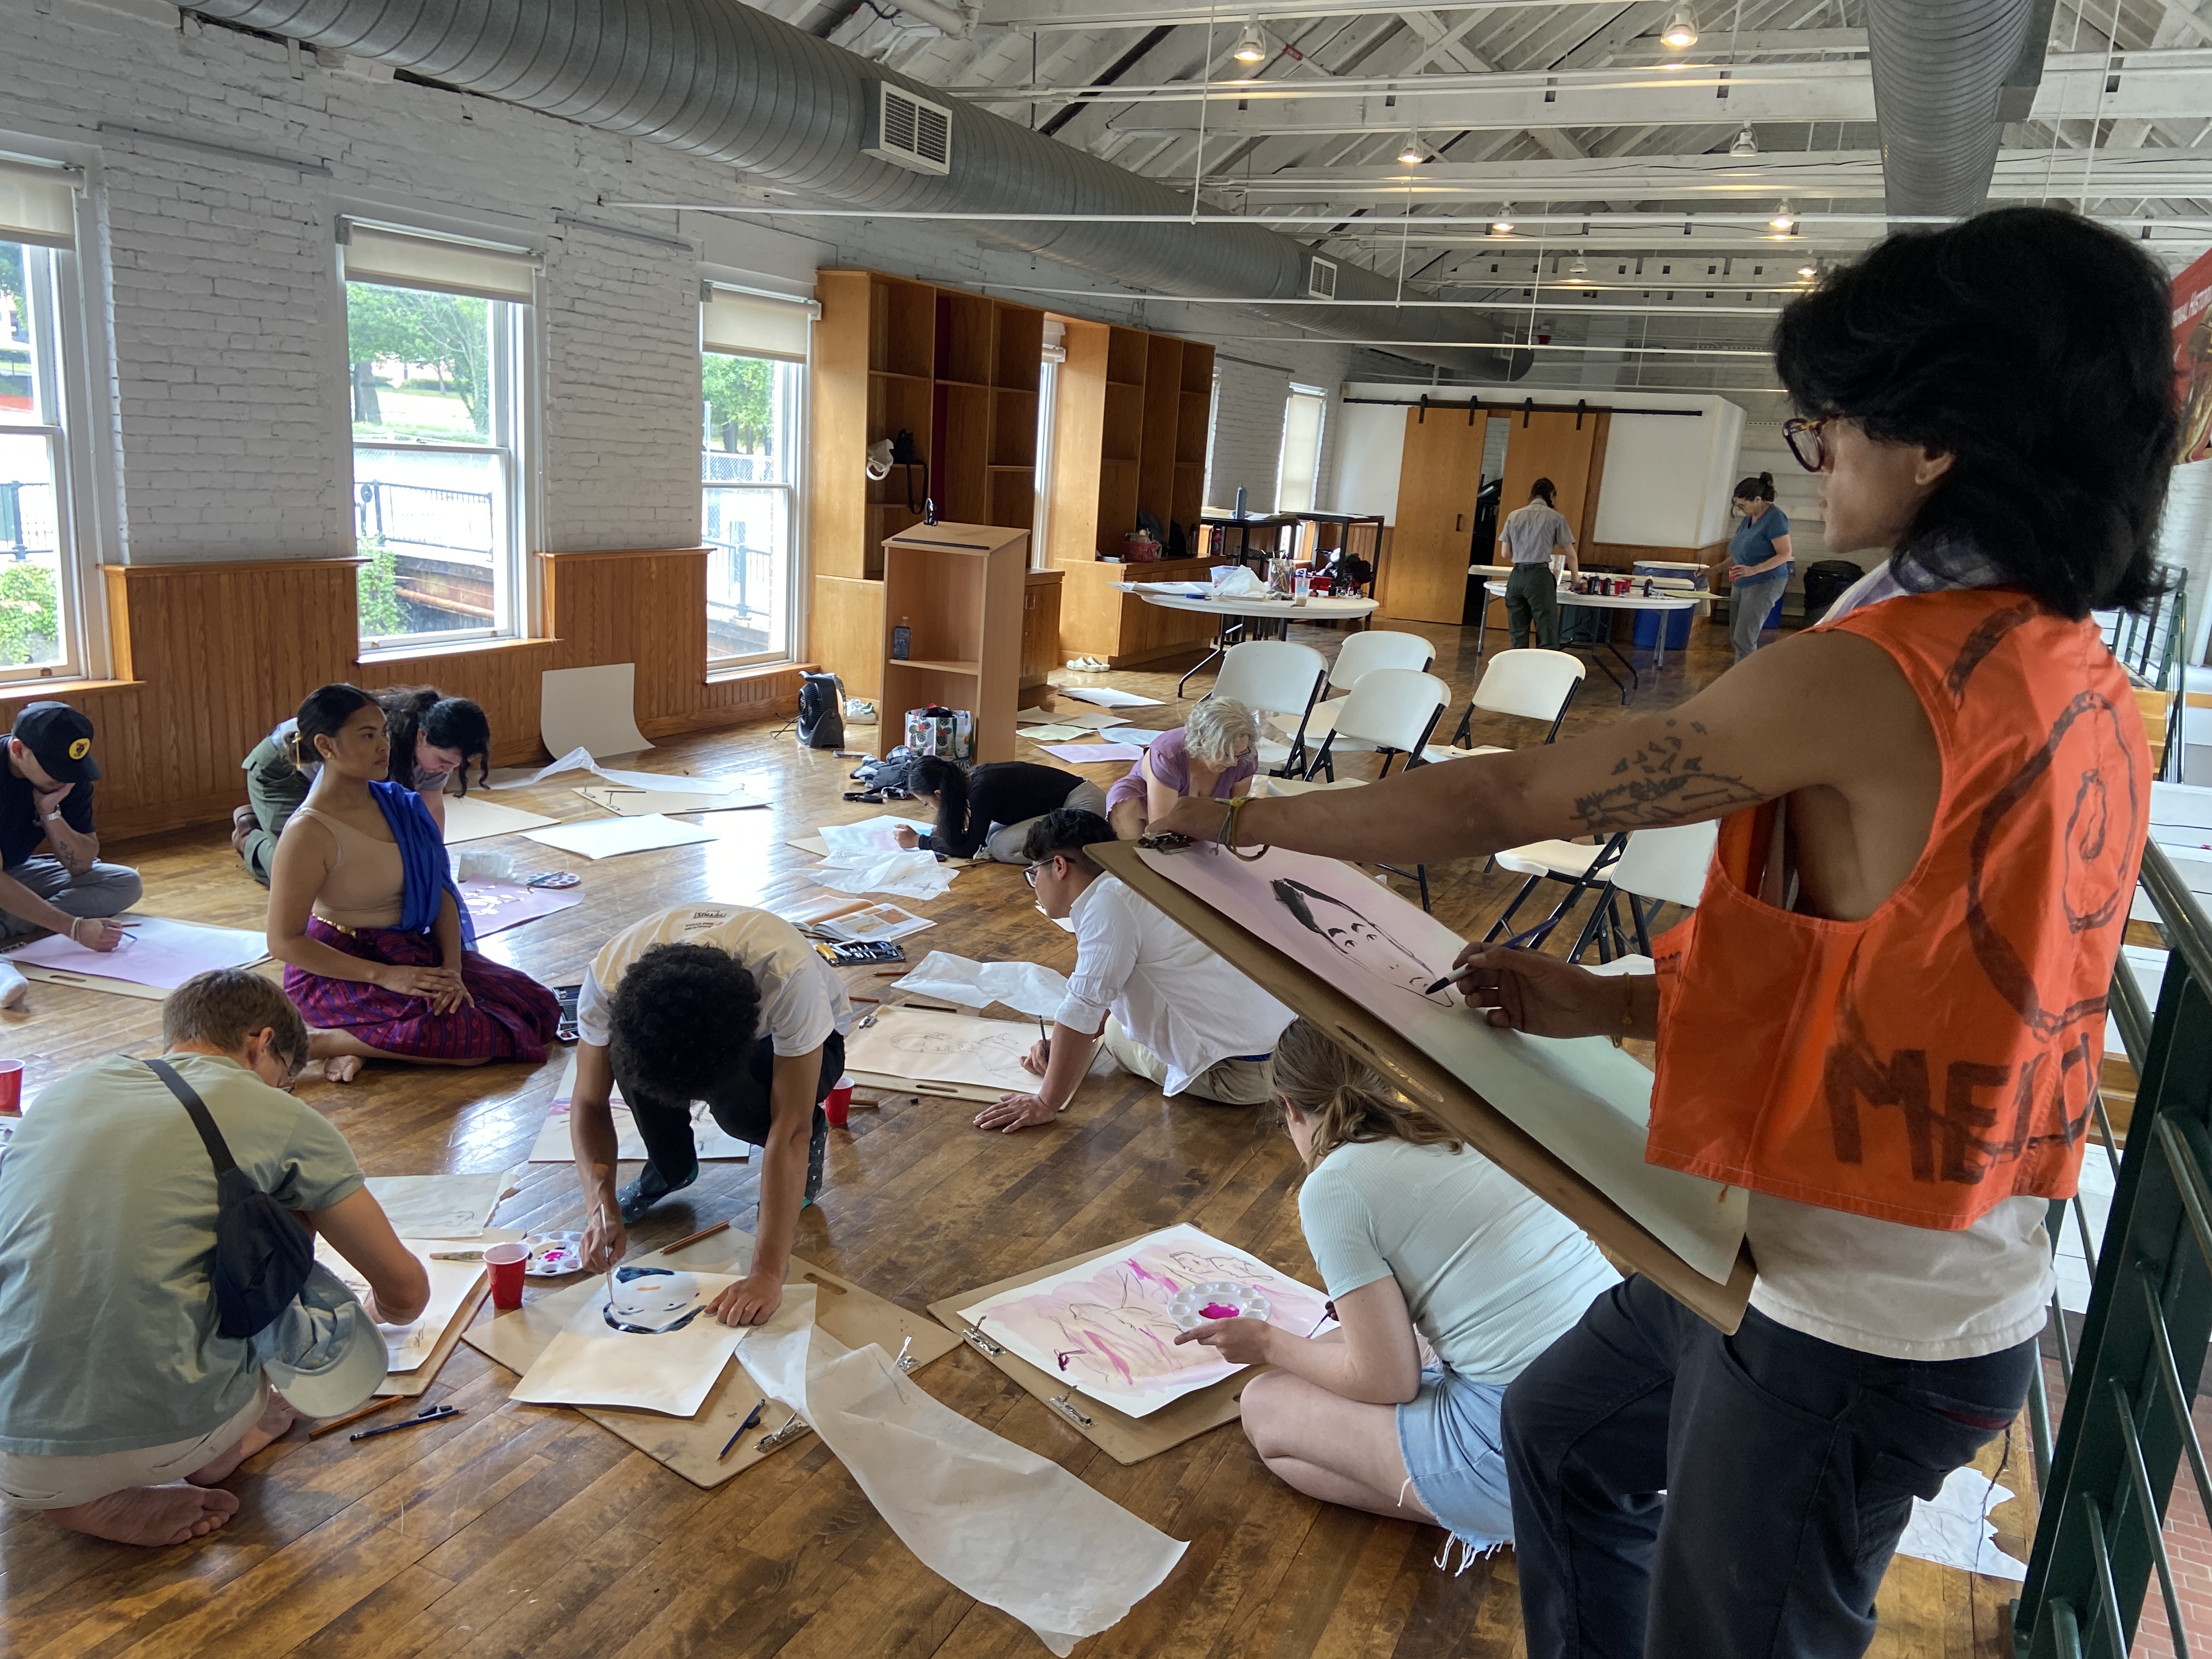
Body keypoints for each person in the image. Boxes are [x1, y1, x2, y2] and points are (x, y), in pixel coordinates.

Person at [1155, 205, 2170, 1657]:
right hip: (1858, 1256)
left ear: (1940, 438)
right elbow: (1913, 969)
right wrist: (1614, 1004)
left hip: (1857, 1319)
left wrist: (1241, 819)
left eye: (1831, 420)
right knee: (1561, 1434)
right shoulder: (2071, 664)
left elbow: (1507, 793)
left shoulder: (1881, 668)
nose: (1816, 453)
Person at [0, 970, 427, 1547]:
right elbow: (406, 1294)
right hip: (172, 1434)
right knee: (271, 1224)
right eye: (284, 1078)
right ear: (261, 1044)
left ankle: (70, 1496)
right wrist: (365, 1314)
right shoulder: (275, 1114)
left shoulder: (67, 1091)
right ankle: (225, 1436)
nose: (281, 1093)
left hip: (11, 1443)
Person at [1176, 1019, 1617, 1565]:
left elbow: (1388, 1380)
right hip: (1635, 1402)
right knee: (1348, 1347)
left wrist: (1268, 1343)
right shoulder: (1459, 1122)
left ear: (1289, 1109)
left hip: (1529, 1443)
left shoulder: (1334, 1185)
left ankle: (1528, 1518)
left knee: (1264, 1408)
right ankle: (1524, 1505)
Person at [569, 902, 855, 1327]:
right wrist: (600, 1204)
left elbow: (789, 1127)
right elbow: (589, 1103)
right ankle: (672, 1167)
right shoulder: (609, 978)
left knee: (741, 1110)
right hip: (681, 1022)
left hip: (800, 1041)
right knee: (637, 1065)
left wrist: (766, 1274)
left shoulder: (788, 977)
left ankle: (816, 1132)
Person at [267, 685, 559, 1082]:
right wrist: (386, 976)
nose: (383, 745)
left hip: (405, 948)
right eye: (367, 736)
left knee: (535, 1007)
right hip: (343, 964)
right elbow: (284, 942)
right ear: (326, 746)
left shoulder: (400, 804)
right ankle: (324, 1042)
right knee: (469, 1037)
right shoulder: (307, 830)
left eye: (384, 732)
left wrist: (452, 969)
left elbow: (440, 891)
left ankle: (367, 1043)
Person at [977, 808, 1293, 1131]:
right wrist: (1060, 1044)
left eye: (1034, 874)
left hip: (1244, 1075)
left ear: (1059, 867)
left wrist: (1046, 1102)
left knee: (1115, 1034)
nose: (1035, 885)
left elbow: (1084, 1005)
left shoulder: (1108, 903)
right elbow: (1100, 990)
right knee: (1110, 1017)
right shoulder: (1138, 875)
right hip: (1290, 1049)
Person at [234, 687, 491, 884]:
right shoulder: (375, 753)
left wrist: (435, 863)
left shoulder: (435, 756)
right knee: (298, 874)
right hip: (285, 767)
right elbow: (345, 813)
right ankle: (248, 836)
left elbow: (431, 809)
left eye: (454, 766)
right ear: (421, 736)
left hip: (328, 779)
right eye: (444, 762)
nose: (446, 770)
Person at [0, 701, 140, 950]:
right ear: (19, 750)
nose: (64, 779)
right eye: (54, 769)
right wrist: (75, 928)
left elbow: (81, 865)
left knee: (125, 883)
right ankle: (20, 917)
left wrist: (50, 813)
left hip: (13, 870)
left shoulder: (68, 778)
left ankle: (11, 922)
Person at [891, 755, 1110, 862]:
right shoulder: (970, 782)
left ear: (939, 793)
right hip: (1064, 805)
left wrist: (920, 842)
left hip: (1082, 803)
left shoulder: (981, 789)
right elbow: (976, 838)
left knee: (1001, 847)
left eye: (927, 803)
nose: (929, 808)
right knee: (991, 836)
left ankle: (1077, 853)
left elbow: (970, 849)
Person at [1105, 695, 1259, 842]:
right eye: (1226, 754)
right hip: (1147, 811)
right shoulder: (1167, 757)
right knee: (1128, 805)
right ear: (1203, 741)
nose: (1234, 762)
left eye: (1239, 754)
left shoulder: (1244, 755)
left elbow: (1235, 815)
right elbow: (1161, 829)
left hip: (1200, 822)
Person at [1713, 472, 1795, 661]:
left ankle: (1747, 676)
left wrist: (1753, 570)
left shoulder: (1775, 518)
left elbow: (1785, 554)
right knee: (1736, 636)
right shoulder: (1749, 518)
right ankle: (1739, 672)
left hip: (1765, 582)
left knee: (1745, 637)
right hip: (1742, 581)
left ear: (1758, 500)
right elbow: (1740, 554)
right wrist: (1713, 570)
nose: (1740, 509)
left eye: (1743, 505)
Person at [1498, 478, 1580, 650]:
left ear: (1533, 494)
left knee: (1518, 633)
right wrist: (1575, 581)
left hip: (1516, 577)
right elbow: (1571, 555)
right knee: (1546, 631)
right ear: (1551, 495)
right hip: (1539, 578)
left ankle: (1518, 664)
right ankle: (1544, 665)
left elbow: (1505, 553)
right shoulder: (1556, 517)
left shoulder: (1514, 516)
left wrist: (1523, 553)